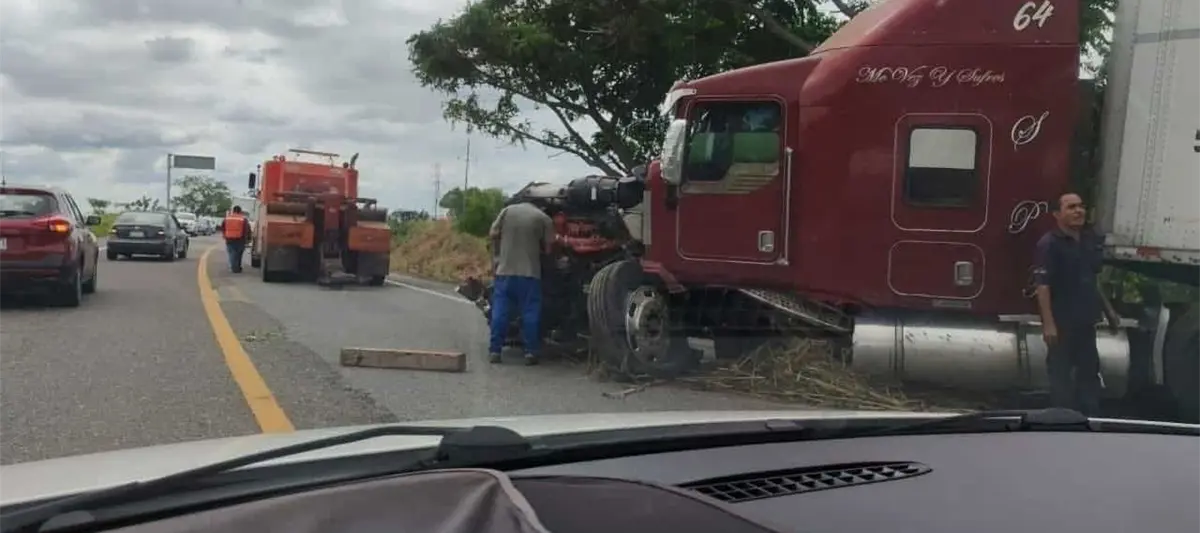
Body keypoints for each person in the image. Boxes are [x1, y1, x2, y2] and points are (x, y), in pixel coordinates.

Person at [1033, 191, 1120, 416]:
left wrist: (1109, 312)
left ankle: (1090, 419)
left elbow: (1092, 280)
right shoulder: (1049, 244)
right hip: (1062, 323)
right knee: (1060, 376)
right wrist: (1048, 324)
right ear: (1056, 214)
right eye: (1071, 207)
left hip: (1086, 321)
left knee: (1090, 373)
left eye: (1080, 206)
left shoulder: (1088, 241)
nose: (1078, 211)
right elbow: (1043, 286)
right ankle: (1062, 421)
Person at [487, 199, 555, 366]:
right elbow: (549, 248)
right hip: (530, 273)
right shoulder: (543, 217)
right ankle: (531, 352)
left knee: (500, 312)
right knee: (530, 313)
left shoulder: (508, 211)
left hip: (505, 271)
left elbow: (493, 234)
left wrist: (498, 254)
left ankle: (495, 351)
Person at [217, 205, 252, 274]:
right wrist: (248, 239)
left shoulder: (227, 218)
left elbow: (222, 227)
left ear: (233, 211)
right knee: (239, 254)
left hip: (229, 239)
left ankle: (233, 266)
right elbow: (247, 229)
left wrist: (224, 235)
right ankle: (237, 267)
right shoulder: (243, 219)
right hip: (240, 239)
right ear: (240, 211)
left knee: (231, 253)